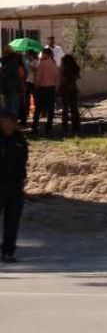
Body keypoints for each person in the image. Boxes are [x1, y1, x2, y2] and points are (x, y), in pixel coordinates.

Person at [0, 109, 28, 263]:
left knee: (13, 221)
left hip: (16, 185)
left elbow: (24, 158)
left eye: (13, 121)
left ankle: (8, 252)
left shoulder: (19, 138)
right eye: (9, 121)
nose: (13, 124)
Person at [32, 48, 59, 135]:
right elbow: (57, 78)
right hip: (52, 88)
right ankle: (49, 128)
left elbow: (38, 77)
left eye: (43, 54)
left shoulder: (42, 64)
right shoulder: (54, 65)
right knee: (50, 109)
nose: (42, 55)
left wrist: (36, 86)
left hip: (42, 88)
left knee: (38, 109)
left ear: (47, 54)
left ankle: (35, 127)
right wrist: (56, 88)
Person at [59, 54, 82, 136]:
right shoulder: (75, 68)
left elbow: (61, 78)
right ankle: (76, 127)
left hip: (65, 89)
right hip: (73, 89)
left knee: (65, 109)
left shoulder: (63, 69)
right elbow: (77, 76)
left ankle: (65, 127)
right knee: (74, 109)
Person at [0, 47, 25, 118]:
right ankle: (12, 127)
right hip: (14, 88)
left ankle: (8, 126)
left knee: (7, 107)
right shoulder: (14, 64)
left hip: (5, 89)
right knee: (13, 109)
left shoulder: (4, 64)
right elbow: (19, 76)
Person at [20, 51, 38, 127]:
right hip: (27, 81)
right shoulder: (25, 62)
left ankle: (35, 114)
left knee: (35, 98)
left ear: (32, 55)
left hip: (33, 82)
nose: (28, 56)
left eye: (29, 54)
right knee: (26, 99)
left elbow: (35, 70)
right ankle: (26, 115)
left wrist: (29, 65)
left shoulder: (36, 61)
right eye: (27, 55)